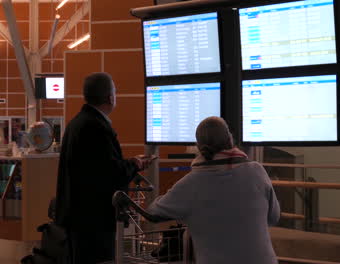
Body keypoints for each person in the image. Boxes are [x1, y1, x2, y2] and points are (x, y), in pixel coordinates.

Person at [147, 116, 280, 264]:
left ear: (199, 147)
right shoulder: (257, 171)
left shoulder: (191, 183)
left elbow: (153, 212)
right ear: (230, 139)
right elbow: (273, 217)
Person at [55, 72, 154, 263]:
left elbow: (96, 167)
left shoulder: (77, 123)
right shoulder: (96, 127)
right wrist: (135, 164)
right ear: (110, 97)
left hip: (78, 217)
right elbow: (111, 174)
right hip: (93, 220)